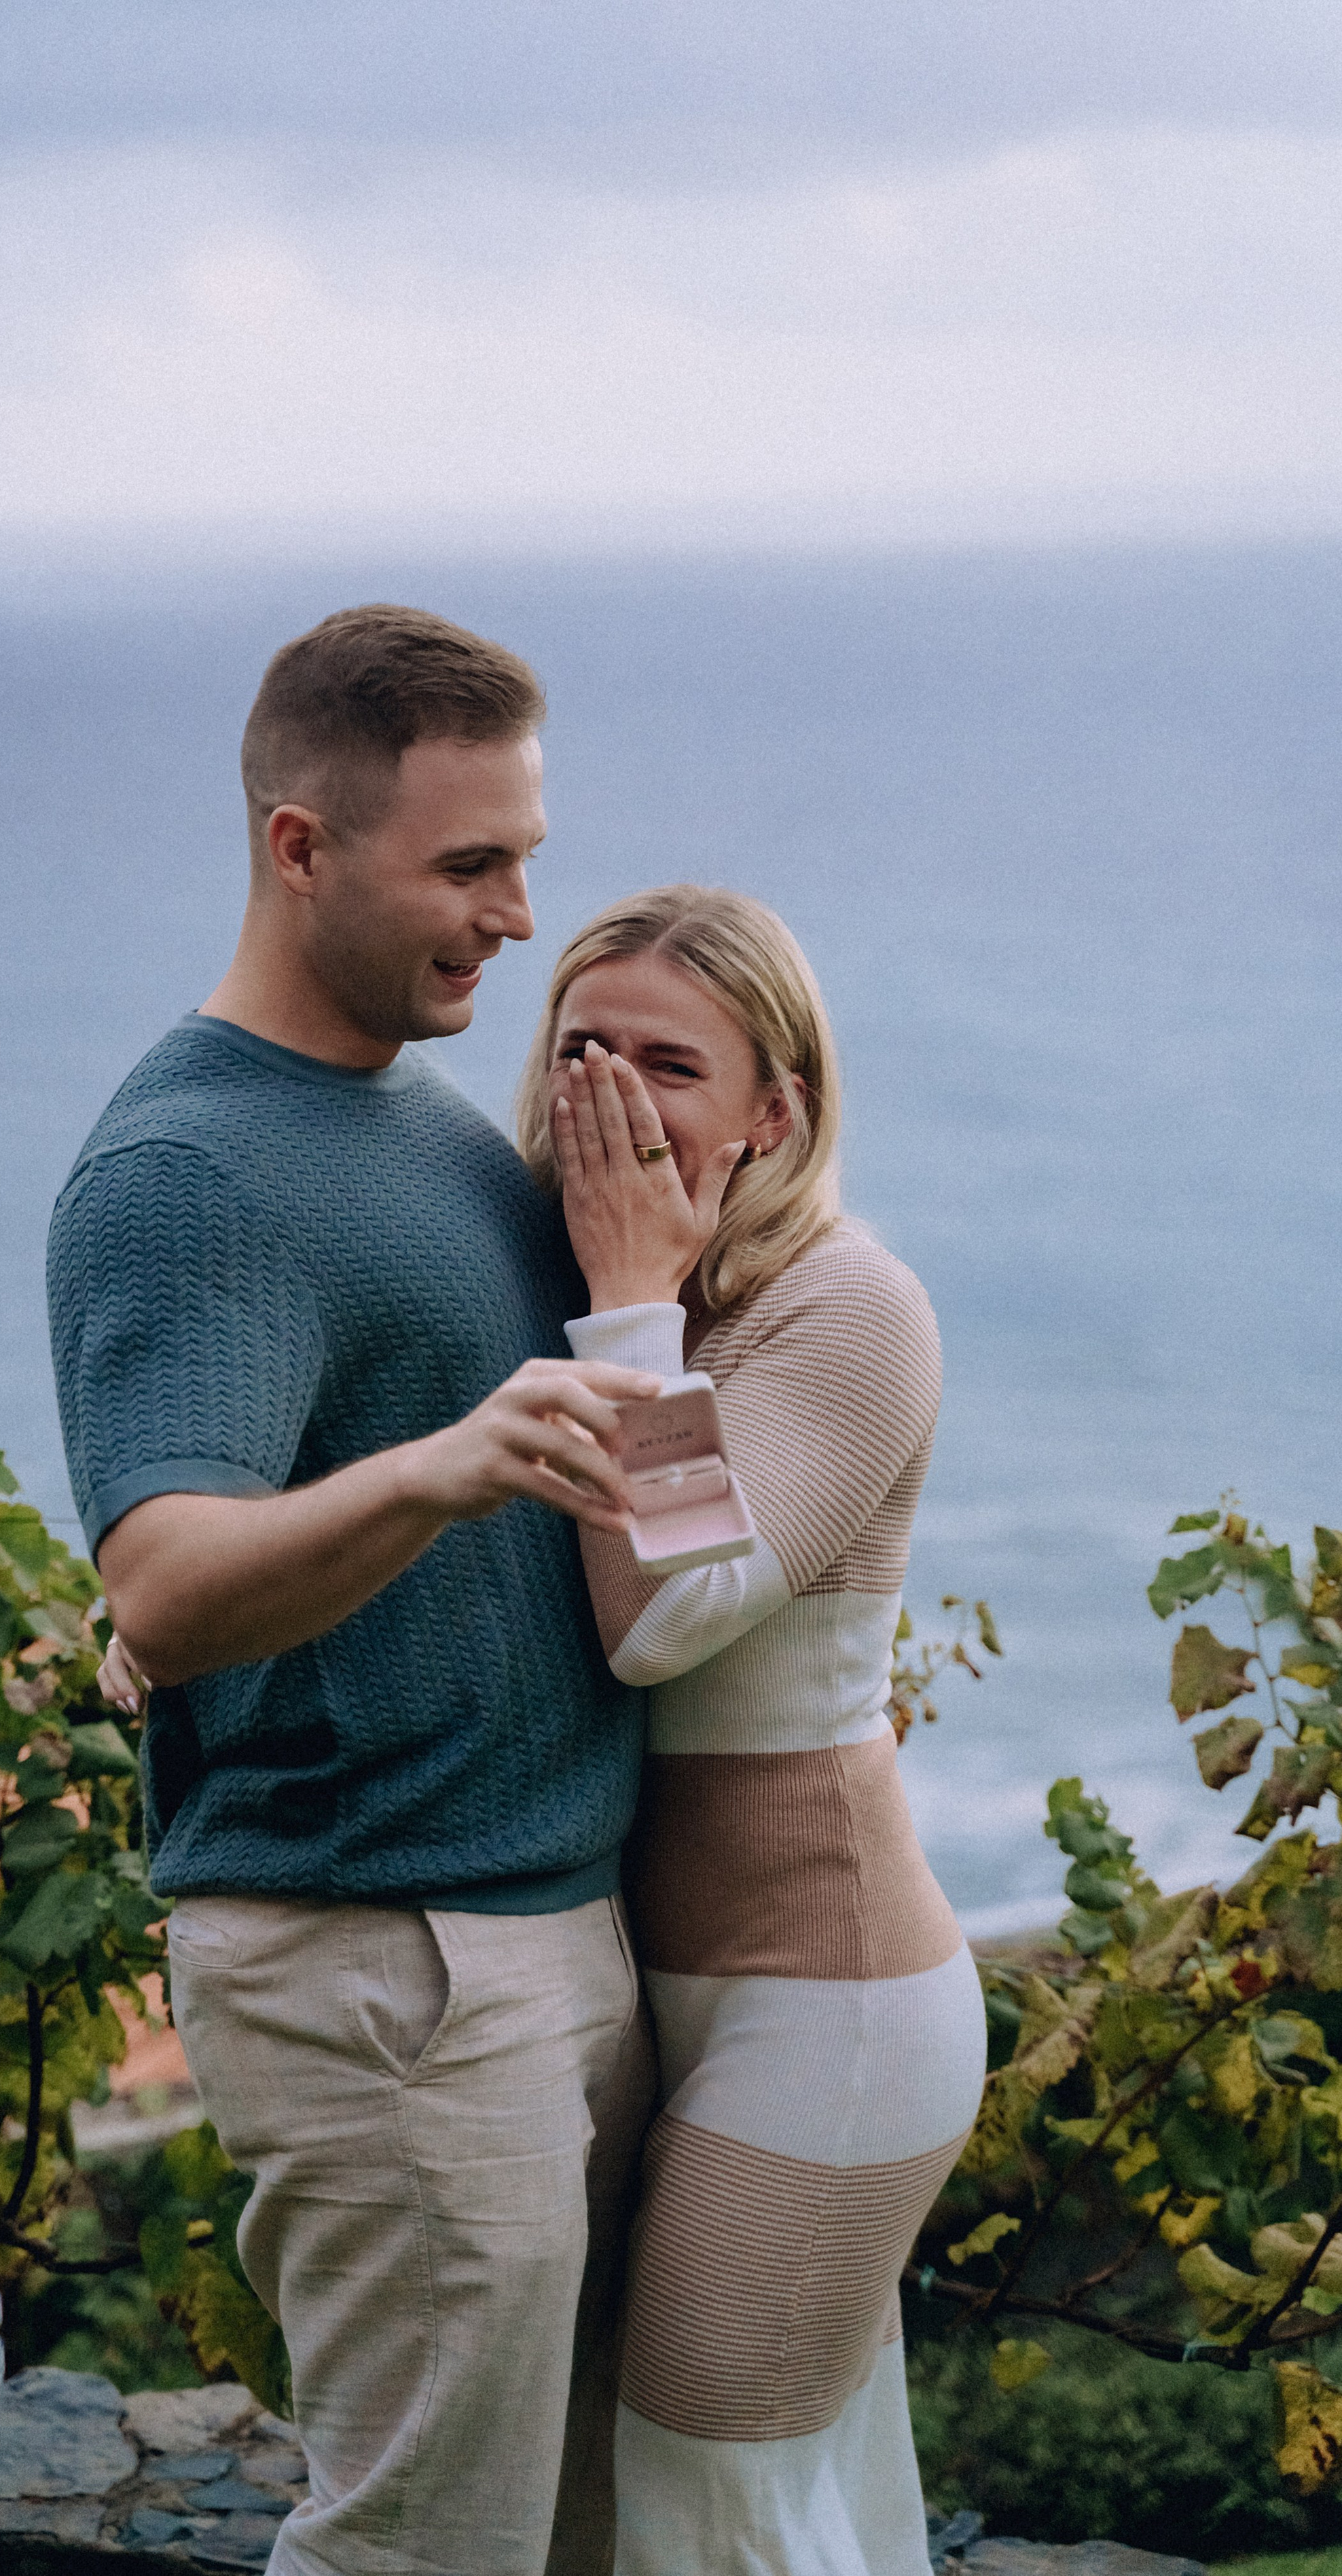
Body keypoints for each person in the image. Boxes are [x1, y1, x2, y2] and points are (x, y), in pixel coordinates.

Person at [47, 605, 661, 2576]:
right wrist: (438, 1465)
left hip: (542, 1933)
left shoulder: (424, 1119)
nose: (512, 916)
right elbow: (158, 1584)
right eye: (467, 866)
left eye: (526, 859)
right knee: (424, 2557)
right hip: (389, 1968)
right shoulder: (188, 1173)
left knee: (569, 2545)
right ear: (301, 846)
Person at [513, 884, 986, 2576]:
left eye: (667, 1060)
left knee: (707, 2499)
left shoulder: (841, 1307)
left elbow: (661, 1621)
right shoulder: (596, 1285)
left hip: (829, 2010)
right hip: (662, 2002)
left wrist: (630, 1303)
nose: (615, 1092)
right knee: (788, 2501)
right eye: (581, 1047)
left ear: (772, 1108)